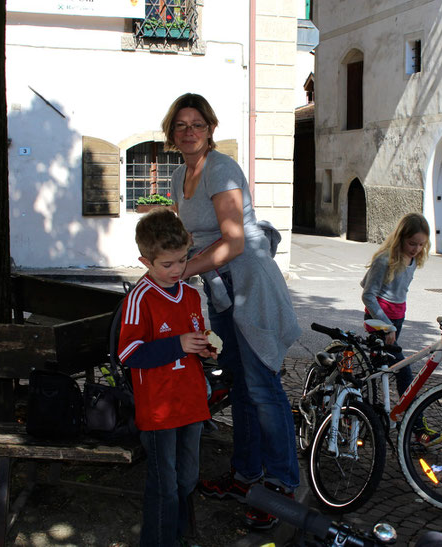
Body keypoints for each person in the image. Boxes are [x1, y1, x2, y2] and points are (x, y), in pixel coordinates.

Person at [161, 92, 302, 530]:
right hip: (221, 289)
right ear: (171, 133)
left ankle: (281, 488)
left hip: (250, 284)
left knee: (263, 388)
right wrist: (162, 262)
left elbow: (234, 241)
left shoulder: (221, 170)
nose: (189, 132)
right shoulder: (179, 174)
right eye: (181, 125)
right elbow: (186, 238)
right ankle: (247, 476)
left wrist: (183, 271)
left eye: (196, 124)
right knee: (240, 385)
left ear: (210, 130)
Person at [117, 208, 216, 547]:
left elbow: (194, 335)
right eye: (168, 264)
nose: (178, 271)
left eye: (183, 261)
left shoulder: (190, 294)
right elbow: (128, 353)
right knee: (164, 486)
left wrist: (205, 348)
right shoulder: (139, 298)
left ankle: (178, 536)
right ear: (146, 262)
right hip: (159, 410)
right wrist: (178, 345)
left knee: (187, 478)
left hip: (191, 403)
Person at [360, 213, 438, 445]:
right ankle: (417, 427)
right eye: (412, 243)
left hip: (396, 320)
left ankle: (366, 415)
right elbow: (367, 294)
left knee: (377, 371)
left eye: (421, 244)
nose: (416, 249)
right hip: (379, 323)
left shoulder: (413, 260)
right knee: (403, 370)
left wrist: (395, 322)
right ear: (400, 238)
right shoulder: (385, 260)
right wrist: (385, 326)